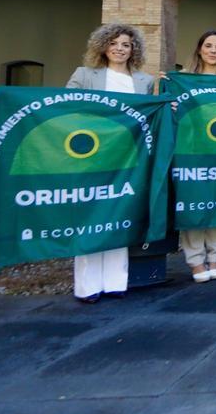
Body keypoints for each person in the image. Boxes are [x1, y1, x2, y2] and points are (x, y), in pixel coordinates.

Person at [66, 23, 154, 304]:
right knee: (91, 217)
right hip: (92, 157)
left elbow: (149, 116)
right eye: (114, 43)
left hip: (127, 156)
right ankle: (87, 286)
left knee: (120, 214)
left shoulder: (144, 81)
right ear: (103, 46)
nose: (119, 48)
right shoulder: (85, 75)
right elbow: (66, 107)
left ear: (133, 49)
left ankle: (116, 281)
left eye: (126, 44)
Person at [169, 29, 216, 284]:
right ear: (199, 49)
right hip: (192, 153)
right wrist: (171, 100)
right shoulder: (185, 80)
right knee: (194, 204)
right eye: (208, 46)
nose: (213, 51)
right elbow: (170, 113)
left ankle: (215, 258)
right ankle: (196, 261)